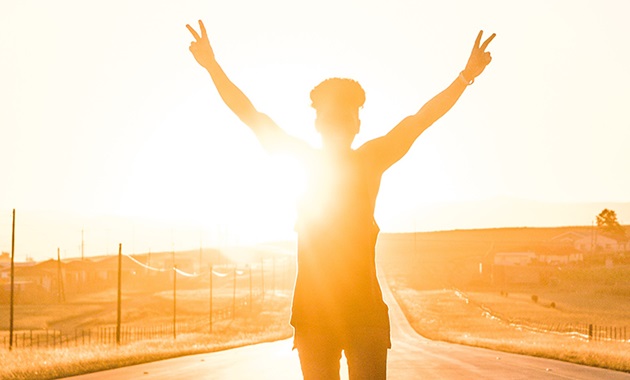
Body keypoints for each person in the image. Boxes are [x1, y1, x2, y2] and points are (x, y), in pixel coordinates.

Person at [186, 20, 495, 380]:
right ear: (349, 124)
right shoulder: (357, 159)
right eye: (346, 112)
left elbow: (251, 116)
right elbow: (420, 119)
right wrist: (464, 77)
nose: (347, 119)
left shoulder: (348, 159)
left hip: (352, 315)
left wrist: (465, 77)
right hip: (321, 316)